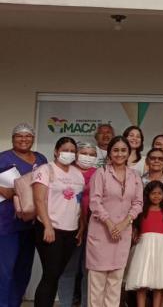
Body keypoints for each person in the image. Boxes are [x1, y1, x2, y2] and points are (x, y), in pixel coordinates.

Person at [87, 136, 143, 307]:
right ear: (109, 153)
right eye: (116, 150)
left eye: (123, 150)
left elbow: (138, 203)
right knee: (97, 283)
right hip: (101, 231)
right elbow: (95, 202)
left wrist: (124, 223)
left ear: (129, 152)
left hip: (123, 233)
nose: (119, 154)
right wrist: (111, 224)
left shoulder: (134, 176)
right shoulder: (101, 172)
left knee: (115, 282)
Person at [32, 136, 85, 307]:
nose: (69, 154)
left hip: (71, 231)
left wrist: (81, 226)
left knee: (57, 273)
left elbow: (79, 201)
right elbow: (39, 200)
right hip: (50, 229)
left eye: (72, 151)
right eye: (65, 150)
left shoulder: (78, 174)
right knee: (51, 274)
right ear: (56, 151)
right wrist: (47, 225)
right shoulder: (45, 169)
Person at [0, 123, 47, 307]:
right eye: (19, 136)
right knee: (5, 269)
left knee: (23, 269)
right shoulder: (3, 158)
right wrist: (4, 189)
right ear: (13, 138)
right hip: (6, 223)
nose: (23, 139)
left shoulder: (41, 159)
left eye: (27, 136)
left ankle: (15, 303)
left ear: (33, 138)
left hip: (32, 224)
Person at [125, 181, 163, 307]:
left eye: (159, 193)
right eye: (153, 193)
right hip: (144, 247)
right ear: (147, 195)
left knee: (159, 284)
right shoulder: (141, 210)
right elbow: (136, 227)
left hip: (161, 248)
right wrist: (135, 235)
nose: (156, 196)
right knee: (141, 282)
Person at [58, 142, 98, 307]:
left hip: (95, 227)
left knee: (88, 270)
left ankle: (85, 304)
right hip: (70, 226)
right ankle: (65, 303)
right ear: (76, 154)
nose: (87, 157)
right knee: (68, 268)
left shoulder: (100, 174)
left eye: (91, 154)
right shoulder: (66, 171)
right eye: (84, 153)